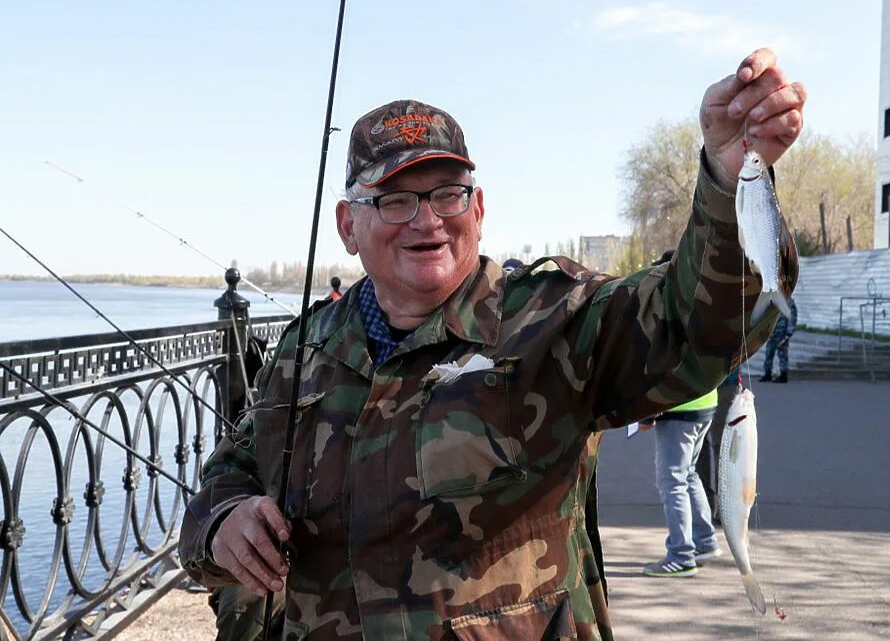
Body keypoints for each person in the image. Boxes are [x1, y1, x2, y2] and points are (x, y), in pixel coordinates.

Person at [179, 48, 805, 639]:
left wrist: (729, 183)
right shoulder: (301, 351)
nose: (427, 221)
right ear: (348, 226)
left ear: (478, 209)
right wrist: (221, 521)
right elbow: (231, 470)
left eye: (447, 194)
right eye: (395, 200)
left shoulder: (555, 317)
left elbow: (696, 323)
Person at [638, 388, 721, 578]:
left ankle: (681, 556)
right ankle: (704, 541)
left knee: (672, 482)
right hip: (705, 400)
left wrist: (646, 413)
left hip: (677, 406)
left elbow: (660, 363)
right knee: (688, 474)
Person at [695, 365, 743, 523]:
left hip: (700, 384)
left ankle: (706, 507)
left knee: (703, 448)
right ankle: (724, 508)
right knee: (722, 449)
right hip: (725, 382)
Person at [760, 294, 798, 382]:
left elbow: (792, 317)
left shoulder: (789, 301)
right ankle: (767, 373)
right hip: (771, 332)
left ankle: (783, 375)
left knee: (782, 354)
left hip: (782, 332)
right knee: (769, 352)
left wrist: (789, 332)